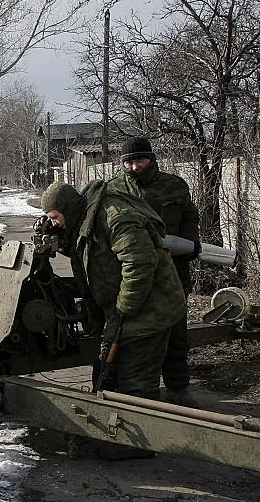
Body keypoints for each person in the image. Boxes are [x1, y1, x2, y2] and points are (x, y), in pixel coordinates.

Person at [39, 180, 187, 459]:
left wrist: (122, 310)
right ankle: (118, 431)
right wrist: (55, 235)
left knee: (136, 379)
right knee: (110, 372)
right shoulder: (87, 218)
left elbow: (140, 264)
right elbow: (86, 252)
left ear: (68, 209)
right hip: (128, 311)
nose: (54, 223)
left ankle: (139, 445)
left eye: (55, 217)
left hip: (150, 309)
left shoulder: (114, 216)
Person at [108, 137, 201, 408]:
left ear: (151, 159)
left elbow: (190, 216)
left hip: (173, 270)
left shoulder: (174, 186)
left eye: (140, 160)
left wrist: (190, 242)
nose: (134, 167)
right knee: (132, 332)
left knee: (175, 331)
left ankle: (178, 388)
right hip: (134, 273)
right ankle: (132, 388)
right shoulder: (115, 189)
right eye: (128, 161)